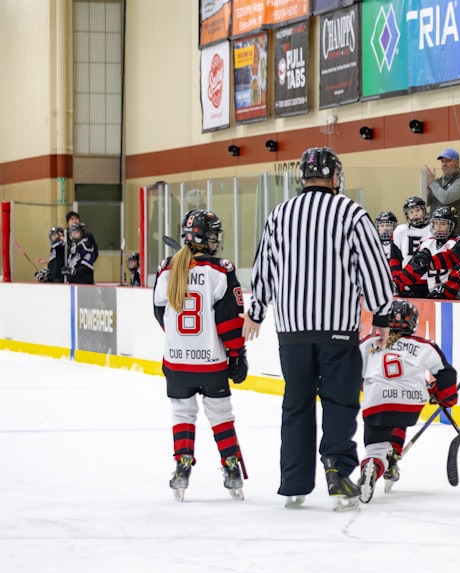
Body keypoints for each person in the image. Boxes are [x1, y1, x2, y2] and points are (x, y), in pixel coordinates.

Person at [243, 147, 395, 512]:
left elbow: (265, 266)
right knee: (339, 402)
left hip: (292, 330)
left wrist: (257, 312)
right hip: (337, 330)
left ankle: (294, 482)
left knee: (295, 403)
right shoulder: (351, 213)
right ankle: (337, 473)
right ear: (334, 177)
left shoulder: (279, 214)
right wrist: (382, 314)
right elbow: (372, 266)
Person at [152, 210, 248, 502]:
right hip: (211, 363)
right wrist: (237, 354)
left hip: (177, 361)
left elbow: (160, 313)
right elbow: (230, 321)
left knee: (182, 414)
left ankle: (182, 467)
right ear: (208, 237)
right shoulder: (221, 270)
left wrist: (180, 343)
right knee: (220, 415)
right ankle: (231, 468)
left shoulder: (167, 267)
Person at [358, 298, 458, 501]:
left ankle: (373, 464)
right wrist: (445, 398)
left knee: (375, 446)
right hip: (410, 404)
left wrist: (365, 388)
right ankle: (392, 460)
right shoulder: (423, 345)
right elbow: (446, 374)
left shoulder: (368, 342)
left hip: (377, 401)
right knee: (398, 417)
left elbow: (351, 372)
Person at [395, 206, 460, 299]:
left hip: (456, 297)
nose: (438, 227)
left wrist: (446, 290)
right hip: (433, 294)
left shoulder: (458, 244)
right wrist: (397, 284)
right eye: (436, 223)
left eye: (443, 223)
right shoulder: (427, 243)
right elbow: (413, 269)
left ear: (452, 225)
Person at [423, 147, 460, 236]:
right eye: (442, 161)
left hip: (457, 234)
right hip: (437, 232)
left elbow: (445, 198)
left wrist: (431, 181)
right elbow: (425, 203)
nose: (444, 164)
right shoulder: (438, 182)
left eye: (448, 161)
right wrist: (428, 186)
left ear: (457, 163)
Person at [391, 196, 433, 298]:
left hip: (430, 281)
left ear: (424, 211)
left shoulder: (433, 229)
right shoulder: (400, 231)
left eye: (417, 210)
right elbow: (395, 259)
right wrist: (398, 281)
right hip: (407, 280)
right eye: (411, 212)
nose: (415, 214)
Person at [64, 219, 99, 284]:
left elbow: (87, 265)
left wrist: (74, 271)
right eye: (72, 232)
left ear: (82, 233)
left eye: (76, 232)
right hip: (73, 281)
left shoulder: (86, 245)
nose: (74, 234)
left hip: (84, 282)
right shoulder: (72, 246)